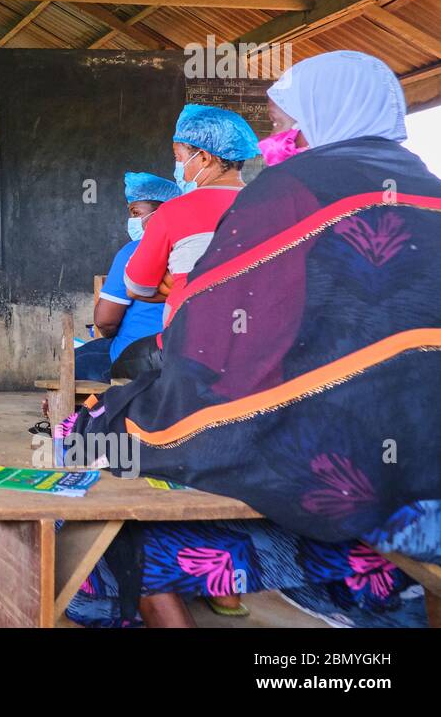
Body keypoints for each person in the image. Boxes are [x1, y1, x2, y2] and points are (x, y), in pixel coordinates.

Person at [64, 50, 441, 627]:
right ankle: (372, 588)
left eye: (284, 125)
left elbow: (211, 333)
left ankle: (158, 587)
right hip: (427, 450)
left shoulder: (292, 189)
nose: (278, 139)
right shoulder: (428, 189)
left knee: (86, 433)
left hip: (338, 446)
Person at [115, 104, 260, 377]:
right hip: (257, 346)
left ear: (203, 157)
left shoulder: (174, 211)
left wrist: (181, 284)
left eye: (179, 157)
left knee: (122, 368)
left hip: (190, 347)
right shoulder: (268, 204)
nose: (179, 167)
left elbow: (135, 287)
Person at [75, 172, 181, 382]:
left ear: (162, 212)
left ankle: (83, 412)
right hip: (184, 358)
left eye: (136, 213)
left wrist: (112, 334)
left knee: (76, 362)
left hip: (135, 359)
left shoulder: (133, 252)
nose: (132, 221)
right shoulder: (193, 249)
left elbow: (105, 321)